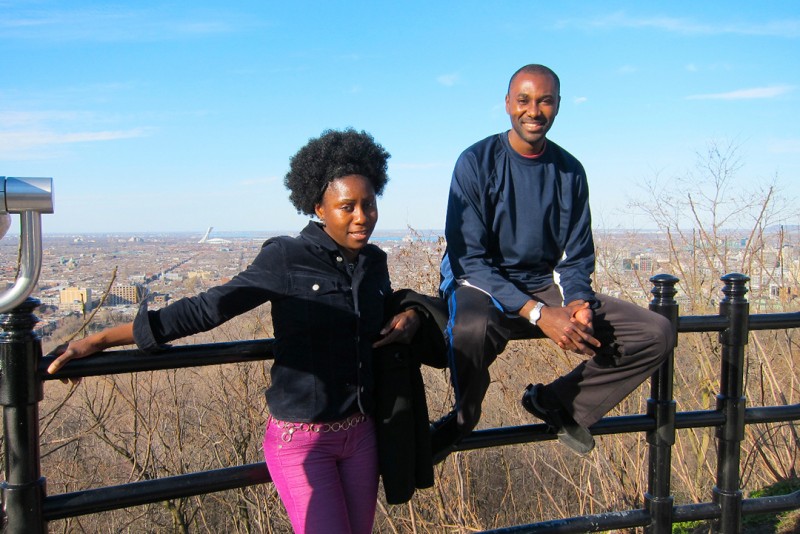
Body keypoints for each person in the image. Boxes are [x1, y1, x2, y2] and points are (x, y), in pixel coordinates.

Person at [47, 128, 422, 534]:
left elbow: (387, 309)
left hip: (362, 435)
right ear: (318, 207)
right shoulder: (286, 257)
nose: (362, 217)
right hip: (303, 442)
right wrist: (100, 339)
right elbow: (208, 308)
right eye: (346, 206)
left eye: (368, 204)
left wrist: (413, 314)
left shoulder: (374, 262)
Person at [431, 64, 675, 462]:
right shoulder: (476, 162)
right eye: (524, 100)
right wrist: (540, 313)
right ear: (507, 103)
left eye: (545, 100)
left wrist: (577, 301)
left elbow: (577, 255)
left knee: (656, 333)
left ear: (558, 105)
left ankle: (558, 402)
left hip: (539, 281)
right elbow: (469, 260)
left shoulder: (569, 171)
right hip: (479, 281)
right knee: (472, 329)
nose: (534, 111)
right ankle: (463, 418)